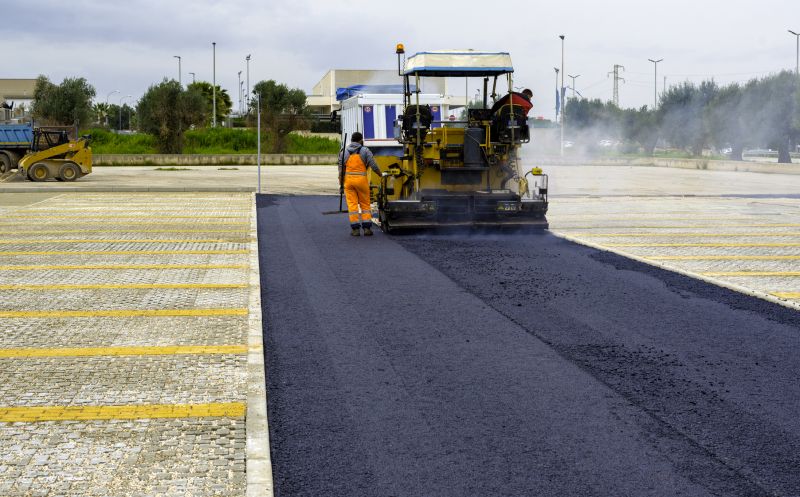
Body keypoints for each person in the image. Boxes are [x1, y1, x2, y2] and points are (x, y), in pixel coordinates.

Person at [339, 132, 381, 236]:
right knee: (365, 204)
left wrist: (341, 183)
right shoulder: (365, 151)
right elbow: (373, 165)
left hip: (349, 182)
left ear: (352, 140)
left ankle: (355, 230)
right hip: (361, 181)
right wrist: (380, 174)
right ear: (360, 140)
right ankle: (367, 229)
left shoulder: (344, 152)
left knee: (352, 205)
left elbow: (341, 169)